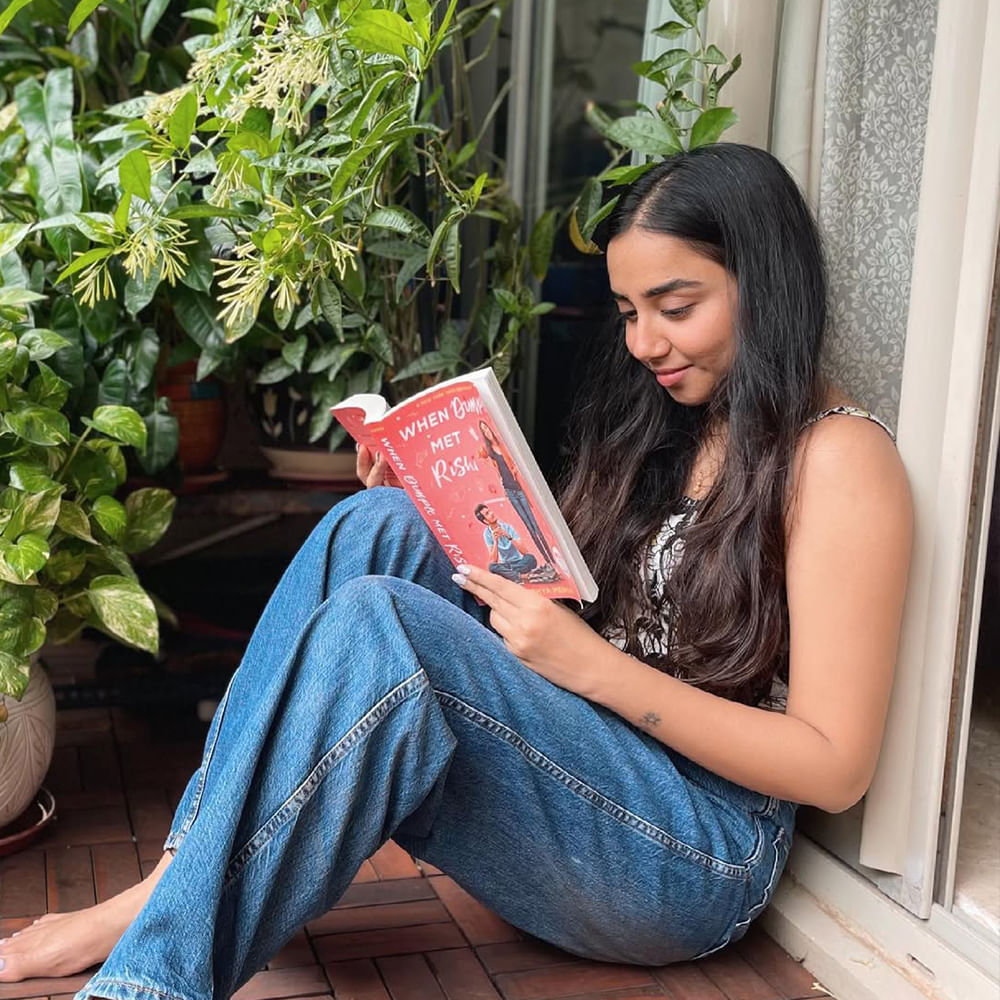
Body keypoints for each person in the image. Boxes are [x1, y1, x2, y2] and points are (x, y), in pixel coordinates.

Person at [0, 143, 912, 998]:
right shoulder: (683, 419)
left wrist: (594, 669)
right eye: (631, 314)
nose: (644, 345)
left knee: (382, 623)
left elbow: (833, 768)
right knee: (380, 525)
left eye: (676, 308)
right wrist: (438, 488)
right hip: (592, 760)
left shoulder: (838, 460)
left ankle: (150, 974)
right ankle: (170, 887)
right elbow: (576, 596)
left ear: (769, 284)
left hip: (694, 851)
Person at [477, 419, 556, 567]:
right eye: (483, 431)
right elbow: (480, 455)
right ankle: (548, 560)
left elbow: (516, 463)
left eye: (487, 428)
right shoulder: (490, 452)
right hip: (509, 490)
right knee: (528, 525)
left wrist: (516, 470)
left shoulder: (505, 444)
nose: (487, 432)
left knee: (535, 525)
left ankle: (552, 557)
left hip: (520, 489)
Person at [474, 502, 538, 581]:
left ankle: (510, 575)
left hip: (519, 562)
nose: (492, 513)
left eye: (490, 511)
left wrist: (509, 536)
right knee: (492, 567)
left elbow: (525, 552)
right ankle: (520, 576)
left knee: (531, 558)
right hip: (506, 565)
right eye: (487, 513)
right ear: (485, 521)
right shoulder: (487, 534)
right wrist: (495, 541)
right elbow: (494, 560)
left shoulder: (507, 527)